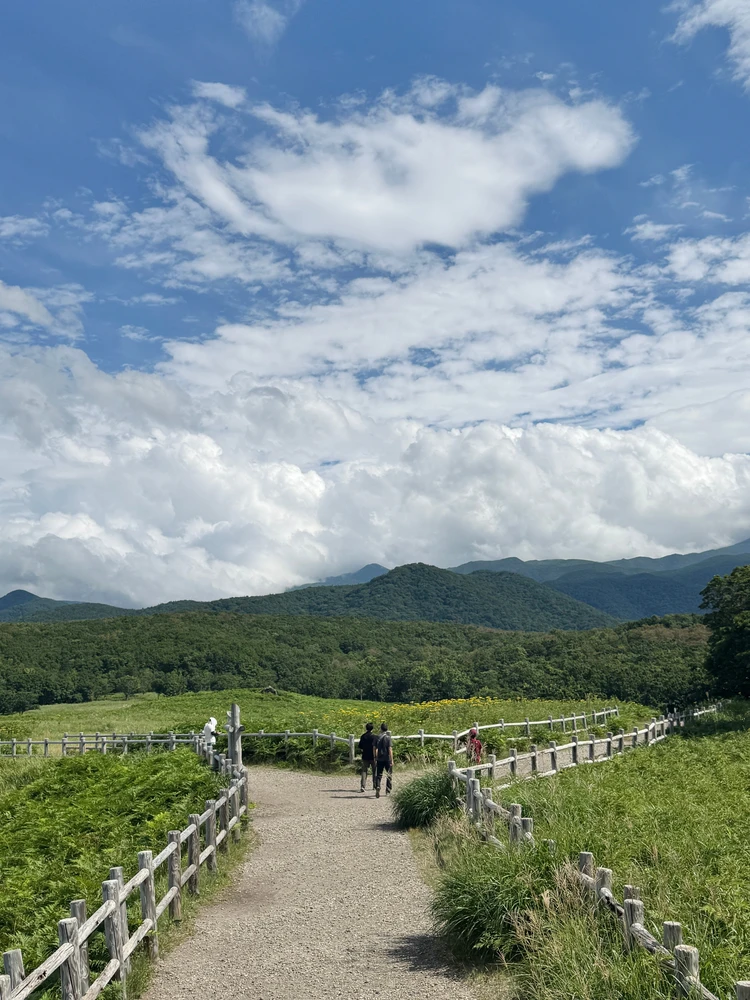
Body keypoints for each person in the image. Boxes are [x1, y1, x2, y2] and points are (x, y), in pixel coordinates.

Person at [375, 722, 393, 798]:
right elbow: (390, 749)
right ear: (387, 729)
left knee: (379, 774)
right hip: (387, 758)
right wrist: (391, 759)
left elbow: (374, 749)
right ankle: (388, 790)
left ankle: (378, 786)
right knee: (389, 774)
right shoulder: (388, 738)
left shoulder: (377, 737)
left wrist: (375, 757)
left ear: (381, 729)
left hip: (380, 758)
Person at [359, 722, 377, 792]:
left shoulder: (363, 736)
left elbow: (360, 746)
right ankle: (375, 785)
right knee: (374, 770)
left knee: (364, 771)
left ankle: (363, 786)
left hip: (365, 755)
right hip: (373, 756)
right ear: (372, 728)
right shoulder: (374, 737)